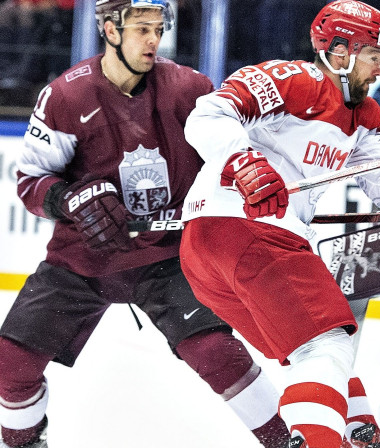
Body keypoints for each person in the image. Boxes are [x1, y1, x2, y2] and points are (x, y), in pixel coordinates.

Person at [176, 1, 380, 447]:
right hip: (248, 230)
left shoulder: (364, 117)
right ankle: (321, 439)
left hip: (208, 252)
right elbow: (207, 115)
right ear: (339, 53)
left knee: (314, 352)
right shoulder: (293, 79)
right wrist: (243, 163)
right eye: (374, 55)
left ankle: (360, 434)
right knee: (327, 345)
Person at [1, 1, 291, 446]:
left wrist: (241, 180)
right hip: (83, 259)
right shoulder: (65, 96)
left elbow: (228, 155)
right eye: (141, 29)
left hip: (170, 257)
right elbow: (30, 182)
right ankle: (25, 442)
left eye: (159, 28)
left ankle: (291, 440)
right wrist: (69, 198)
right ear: (109, 30)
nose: (153, 39)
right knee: (9, 365)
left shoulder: (190, 89)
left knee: (217, 353)